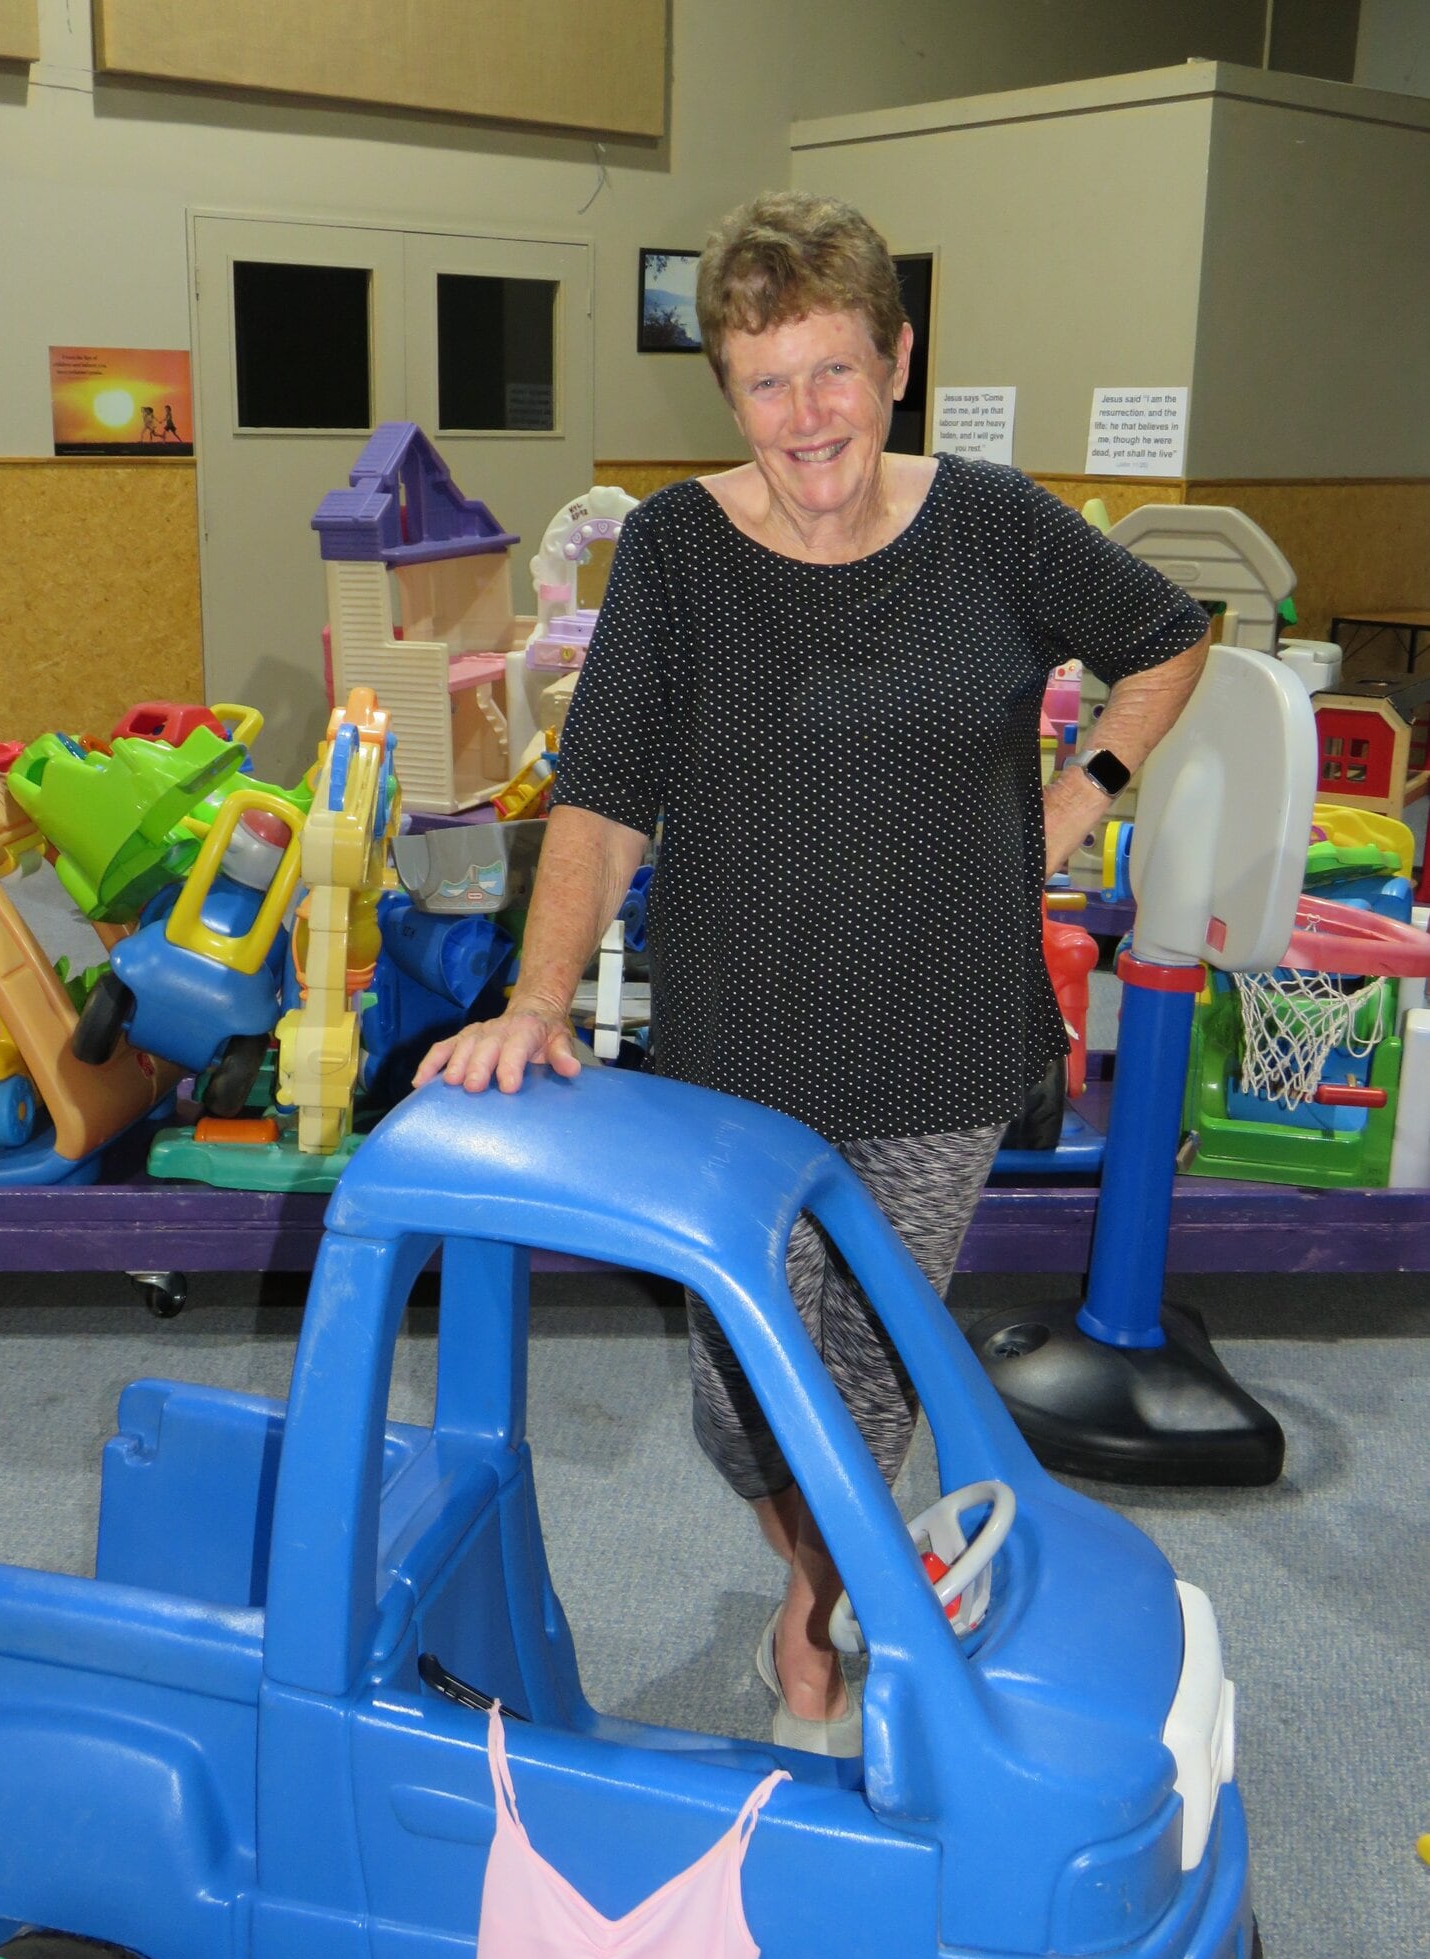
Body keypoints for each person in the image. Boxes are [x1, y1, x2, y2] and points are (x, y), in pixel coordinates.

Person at [415, 190, 1211, 1756]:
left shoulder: (992, 523)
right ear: (728, 391)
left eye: (834, 370)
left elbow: (1169, 634)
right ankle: (841, 1582)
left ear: (897, 359)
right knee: (742, 1393)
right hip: (739, 1060)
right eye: (766, 381)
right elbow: (604, 793)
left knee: (866, 1373)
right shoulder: (679, 553)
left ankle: (815, 1621)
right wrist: (535, 997)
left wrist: (1075, 801)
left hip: (942, 1046)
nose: (806, 417)